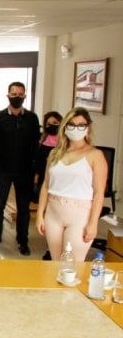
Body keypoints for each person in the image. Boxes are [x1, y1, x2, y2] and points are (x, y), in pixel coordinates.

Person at [36, 108, 107, 262]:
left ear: (88, 128)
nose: (76, 129)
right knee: (56, 263)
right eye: (72, 124)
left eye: (81, 125)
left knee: (71, 265)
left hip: (79, 216)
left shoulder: (95, 155)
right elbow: (46, 186)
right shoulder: (55, 153)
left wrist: (93, 224)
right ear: (65, 127)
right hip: (53, 213)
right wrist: (40, 215)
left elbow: (99, 193)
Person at [0, 81, 40, 255]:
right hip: (3, 169)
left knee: (23, 208)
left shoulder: (32, 118)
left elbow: (35, 145)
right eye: (14, 94)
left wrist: (35, 172)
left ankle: (22, 241)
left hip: (25, 171)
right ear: (8, 95)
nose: (17, 97)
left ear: (25, 95)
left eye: (20, 94)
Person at [33, 111, 62, 202]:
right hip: (43, 176)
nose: (52, 126)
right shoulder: (42, 139)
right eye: (48, 123)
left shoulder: (65, 141)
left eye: (55, 123)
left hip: (58, 178)